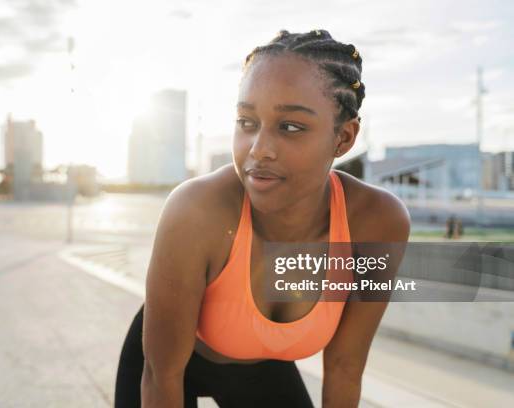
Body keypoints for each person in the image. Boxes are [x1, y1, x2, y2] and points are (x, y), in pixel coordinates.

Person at [115, 29, 410, 407]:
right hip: (168, 368)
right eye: (247, 121)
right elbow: (162, 375)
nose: (259, 150)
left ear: (344, 138)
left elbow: (345, 367)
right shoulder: (197, 210)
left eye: (290, 126)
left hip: (262, 369)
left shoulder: (378, 223)